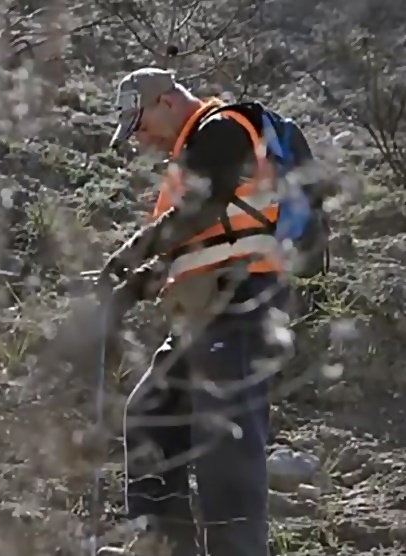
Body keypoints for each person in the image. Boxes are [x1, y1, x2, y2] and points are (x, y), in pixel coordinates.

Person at [96, 68, 304, 556]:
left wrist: (127, 254)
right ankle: (162, 545)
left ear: (166, 101)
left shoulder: (224, 128)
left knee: (224, 445)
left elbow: (202, 212)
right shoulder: (190, 156)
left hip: (241, 305)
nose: (141, 139)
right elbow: (191, 249)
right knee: (151, 413)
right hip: (203, 315)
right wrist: (126, 288)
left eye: (140, 125)